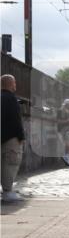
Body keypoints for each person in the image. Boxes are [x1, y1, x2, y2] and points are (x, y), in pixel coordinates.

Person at [1, 74, 26, 202]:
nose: (15, 85)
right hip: (11, 137)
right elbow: (16, 119)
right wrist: (21, 136)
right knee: (11, 163)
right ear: (11, 84)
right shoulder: (11, 99)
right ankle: (7, 192)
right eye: (14, 82)